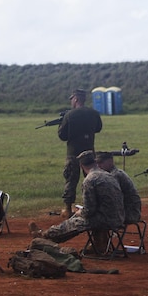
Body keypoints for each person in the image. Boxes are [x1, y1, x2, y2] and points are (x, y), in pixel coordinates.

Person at [31, 151, 125, 243]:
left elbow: (88, 211)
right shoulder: (108, 175)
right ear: (95, 162)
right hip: (119, 217)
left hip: (105, 220)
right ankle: (99, 244)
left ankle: (44, 235)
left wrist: (79, 213)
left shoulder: (90, 180)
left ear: (81, 166)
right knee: (87, 218)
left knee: (73, 223)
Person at [57, 88, 103, 217]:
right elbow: (98, 128)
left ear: (75, 99)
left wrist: (61, 124)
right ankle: (93, 206)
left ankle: (67, 209)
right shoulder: (94, 113)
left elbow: (62, 136)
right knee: (92, 179)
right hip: (89, 152)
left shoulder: (70, 115)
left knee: (71, 180)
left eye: (72, 99)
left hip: (73, 153)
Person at [97, 150, 142, 224]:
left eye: (101, 163)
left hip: (129, 213)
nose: (99, 166)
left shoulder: (115, 175)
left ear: (110, 161)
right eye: (97, 163)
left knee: (98, 219)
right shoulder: (110, 174)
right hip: (124, 210)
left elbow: (113, 199)